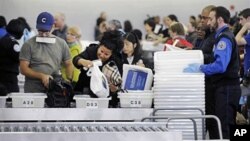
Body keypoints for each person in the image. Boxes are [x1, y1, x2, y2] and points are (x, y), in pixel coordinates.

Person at [183, 6, 241, 139]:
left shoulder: (224, 38)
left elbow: (220, 66)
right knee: (219, 126)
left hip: (227, 87)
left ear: (219, 19)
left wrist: (201, 68)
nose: (208, 22)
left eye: (211, 19)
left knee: (224, 128)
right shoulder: (219, 36)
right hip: (222, 87)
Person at [19, 12, 73, 93]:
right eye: (40, 31)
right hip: (33, 89)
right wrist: (41, 76)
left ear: (53, 27)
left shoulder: (61, 43)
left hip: (55, 88)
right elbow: (23, 69)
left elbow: (68, 63)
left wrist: (68, 80)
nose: (43, 35)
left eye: (47, 32)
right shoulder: (28, 44)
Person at [73, 31, 123, 107]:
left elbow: (119, 82)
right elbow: (76, 59)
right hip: (84, 90)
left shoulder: (116, 61)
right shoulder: (91, 51)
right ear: (99, 46)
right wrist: (83, 61)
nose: (102, 55)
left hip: (105, 98)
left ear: (112, 54)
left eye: (106, 54)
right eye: (101, 51)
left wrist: (115, 89)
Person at [0, 19, 26, 93]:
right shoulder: (13, 43)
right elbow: (19, 57)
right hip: (9, 77)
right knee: (12, 97)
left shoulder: (3, 39)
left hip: (2, 74)